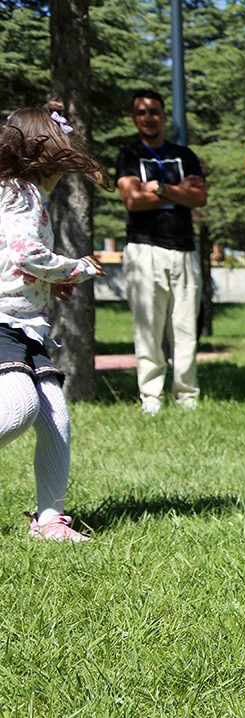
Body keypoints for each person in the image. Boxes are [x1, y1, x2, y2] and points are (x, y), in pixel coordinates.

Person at [0, 103, 108, 541]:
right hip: (4, 320)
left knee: (55, 417)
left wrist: (48, 286)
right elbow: (24, 252)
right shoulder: (21, 193)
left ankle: (49, 521)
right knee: (21, 408)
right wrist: (75, 268)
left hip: (25, 321)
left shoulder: (16, 191)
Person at [115, 89, 207, 415]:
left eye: (154, 111)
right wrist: (177, 193)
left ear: (163, 115)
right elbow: (132, 200)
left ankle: (187, 398)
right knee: (148, 330)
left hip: (183, 250)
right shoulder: (128, 156)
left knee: (185, 330)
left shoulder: (185, 155)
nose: (148, 118)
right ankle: (151, 399)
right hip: (143, 250)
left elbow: (199, 197)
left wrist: (162, 189)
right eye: (141, 112)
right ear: (134, 118)